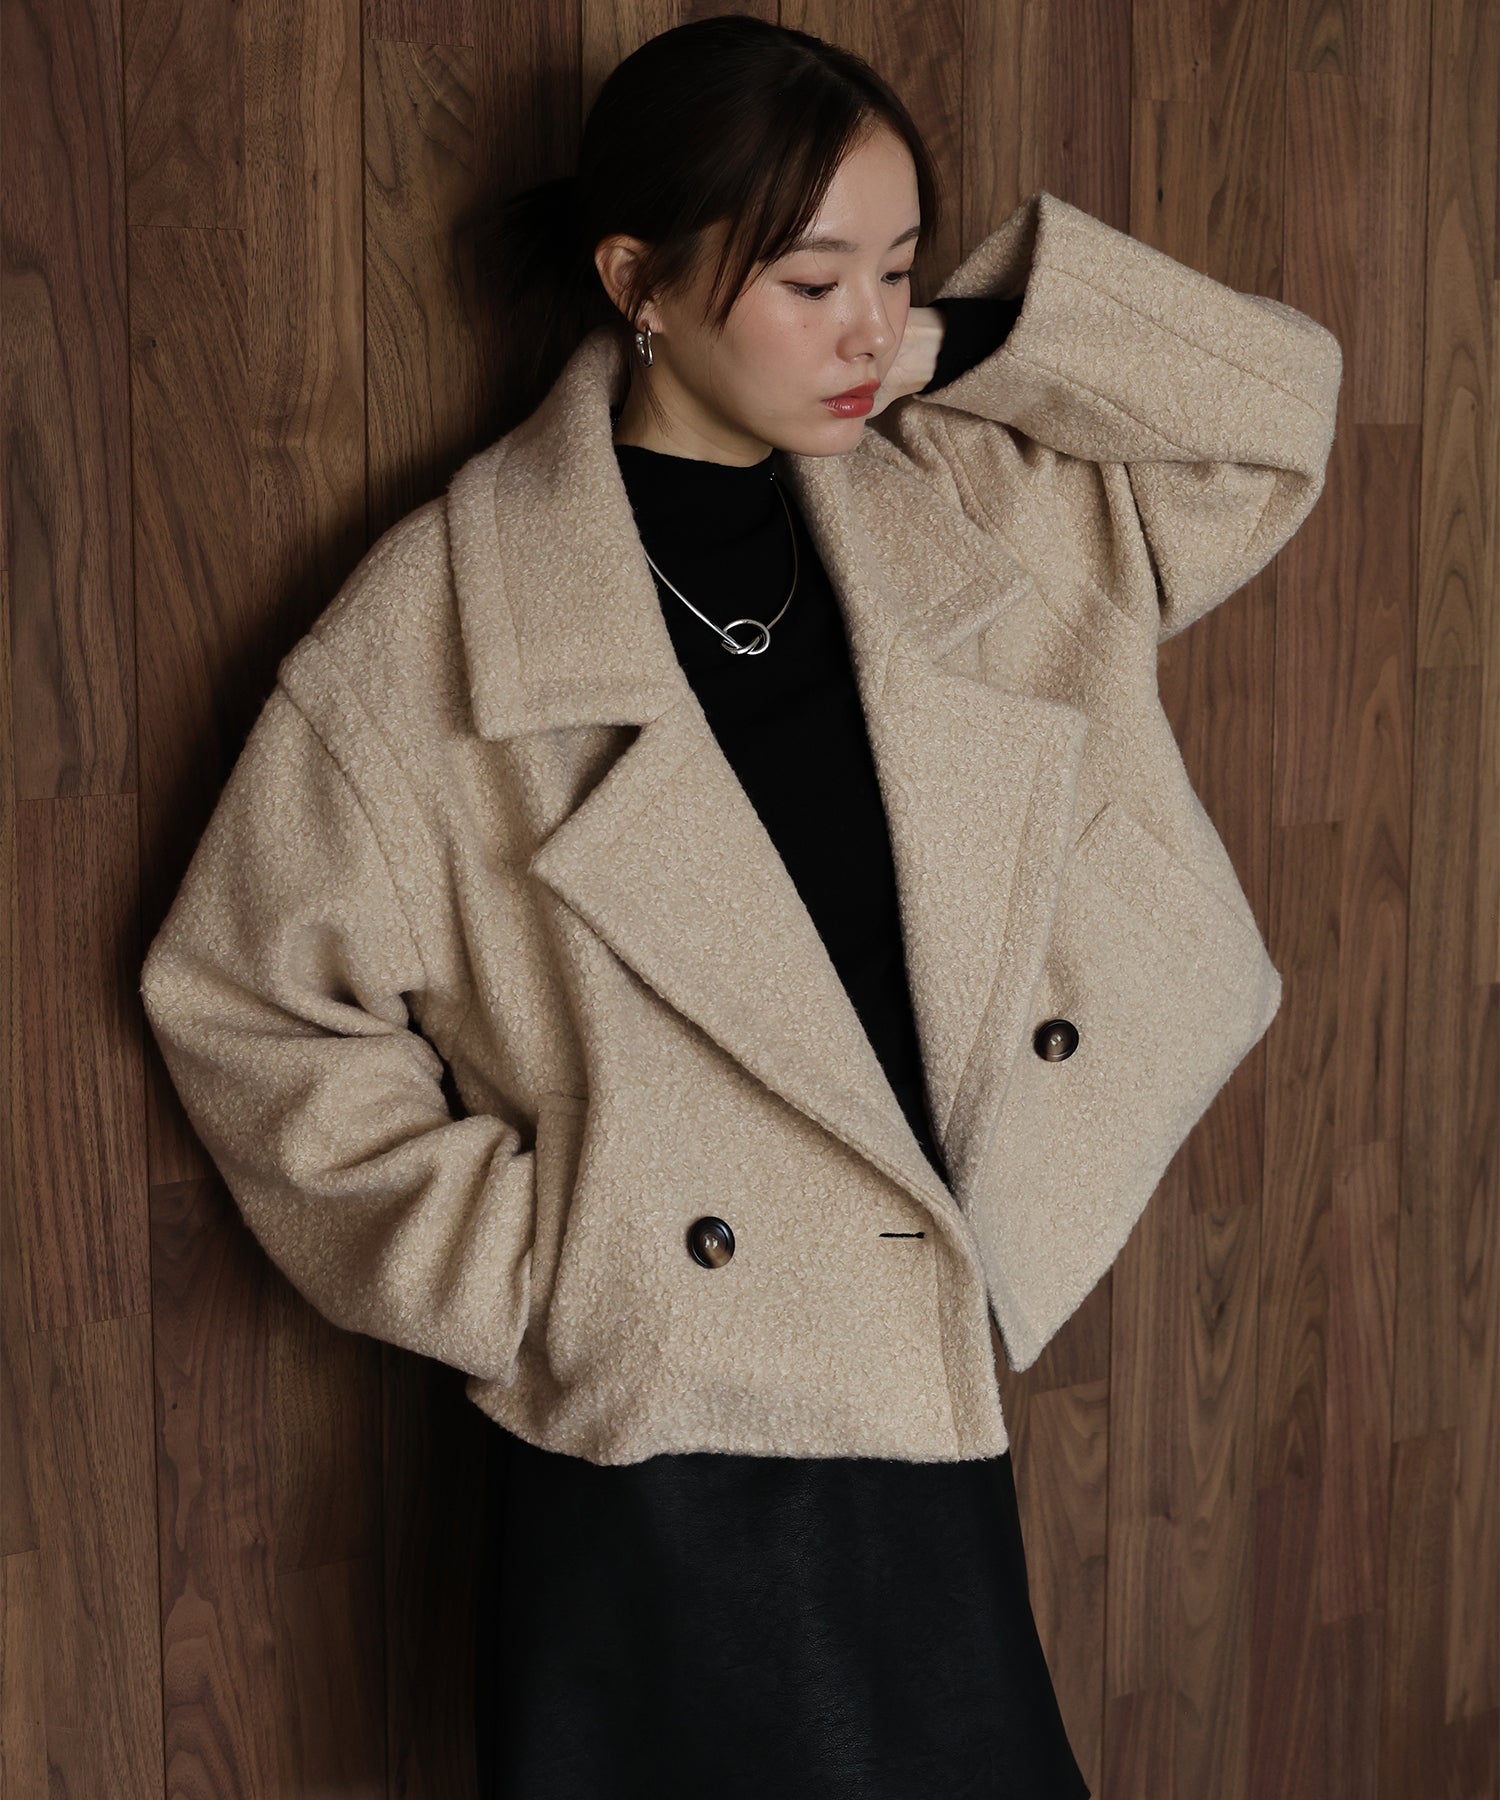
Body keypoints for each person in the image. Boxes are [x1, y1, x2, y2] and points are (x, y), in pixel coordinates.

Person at [139, 14, 1342, 1798]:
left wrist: (969, 339)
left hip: (927, 1366)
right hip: (673, 1441)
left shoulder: (957, 502)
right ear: (638, 281)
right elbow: (244, 1003)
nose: (868, 330)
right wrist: (554, 1267)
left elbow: (1270, 418)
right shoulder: (447, 623)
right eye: (811, 280)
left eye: (899, 272)